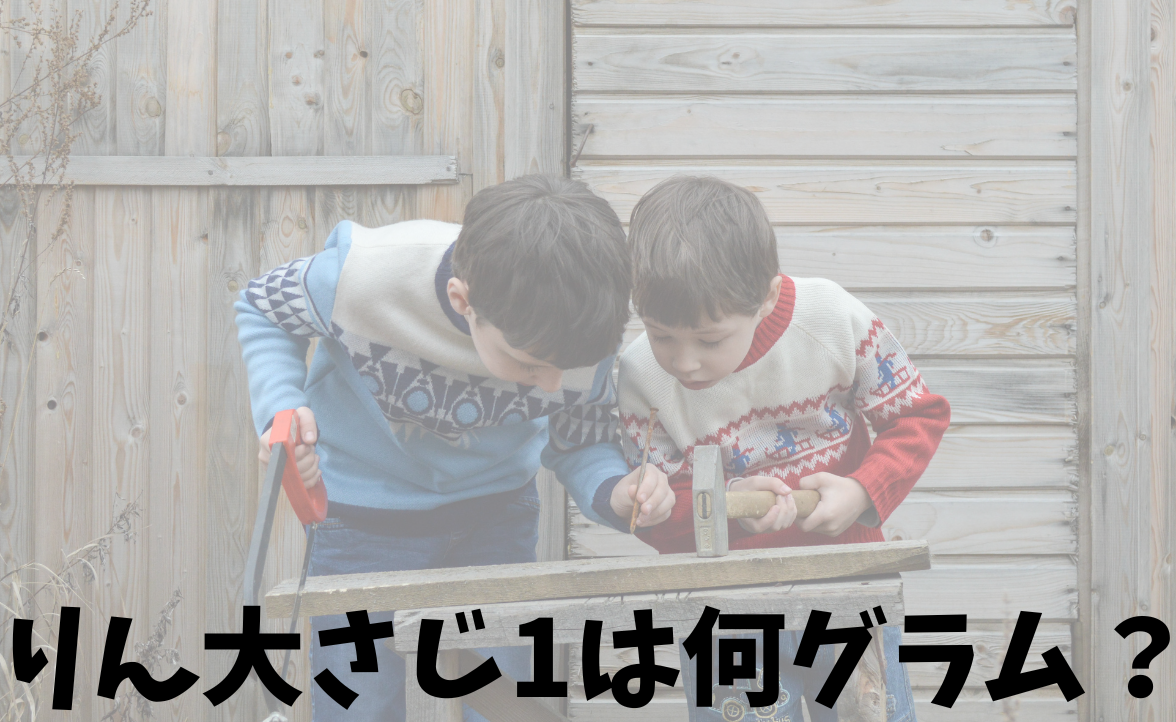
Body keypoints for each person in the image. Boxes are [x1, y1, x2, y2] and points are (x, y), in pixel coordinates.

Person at [234, 174, 673, 721]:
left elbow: (579, 441)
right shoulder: (365, 278)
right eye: (531, 365)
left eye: (567, 369)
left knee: (508, 708)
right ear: (462, 301)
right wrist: (281, 407)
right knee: (358, 708)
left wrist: (615, 491)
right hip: (360, 524)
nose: (552, 385)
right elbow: (262, 306)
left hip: (495, 520)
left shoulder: (585, 327)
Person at [617, 175, 950, 722]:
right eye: (661, 335)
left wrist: (862, 491)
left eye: (709, 339)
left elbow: (916, 415)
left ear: (767, 296)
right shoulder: (639, 376)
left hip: (847, 588)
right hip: (723, 613)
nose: (684, 362)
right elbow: (654, 513)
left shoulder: (832, 320)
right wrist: (724, 510)